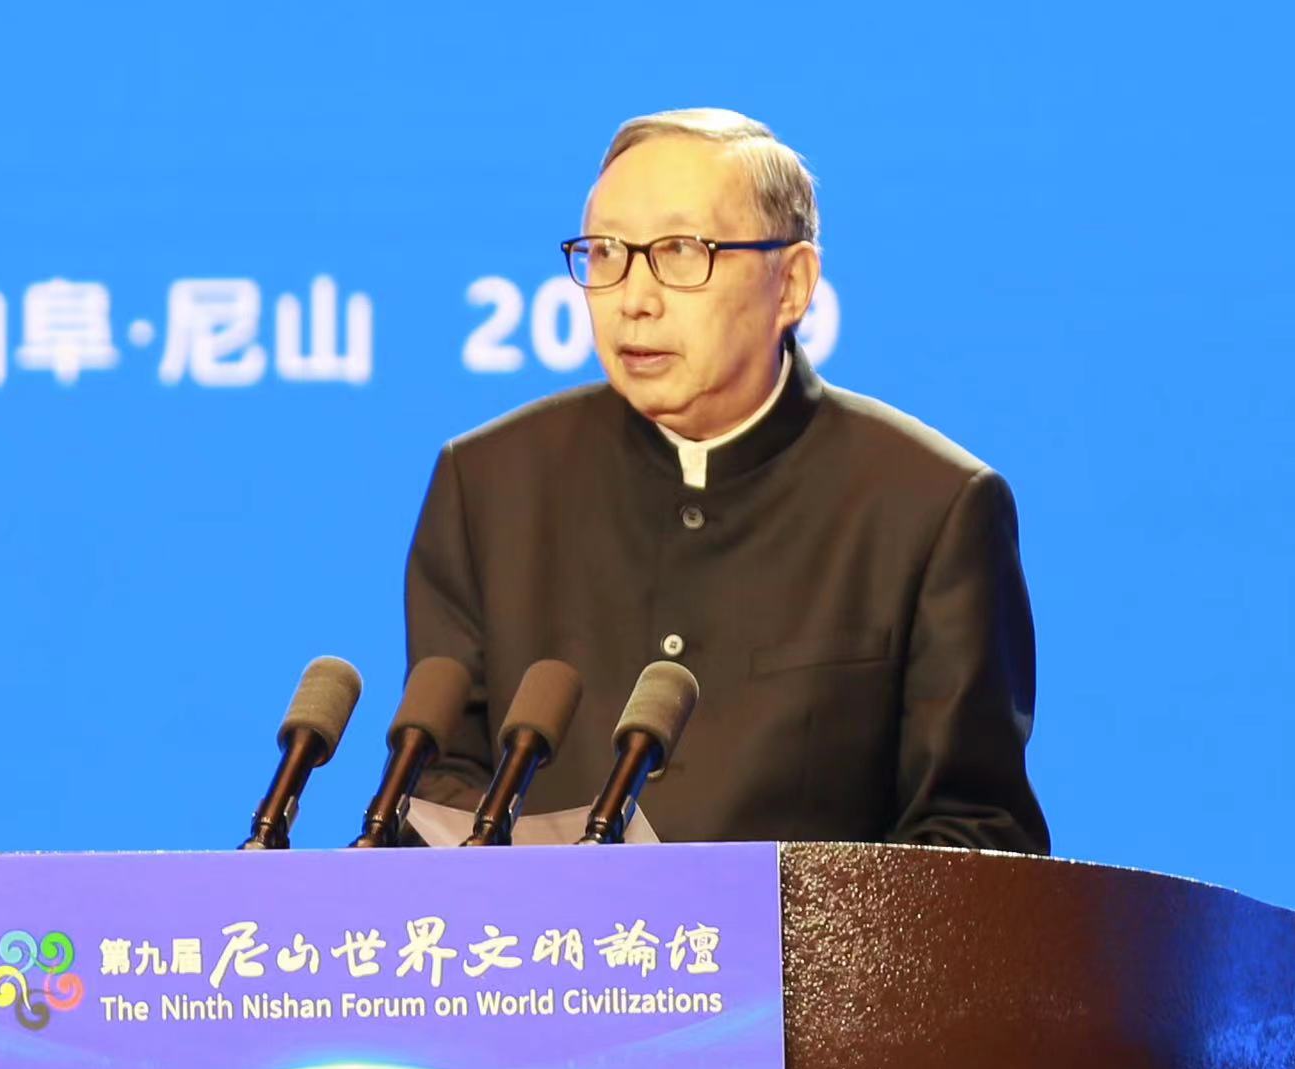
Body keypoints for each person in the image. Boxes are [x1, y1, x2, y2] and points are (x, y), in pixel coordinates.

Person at [405, 108, 1050, 854]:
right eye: (606, 253)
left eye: (680, 252)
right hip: (548, 934)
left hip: (808, 936)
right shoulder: (489, 483)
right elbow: (442, 778)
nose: (633, 298)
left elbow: (974, 834)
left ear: (792, 284)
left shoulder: (929, 505)